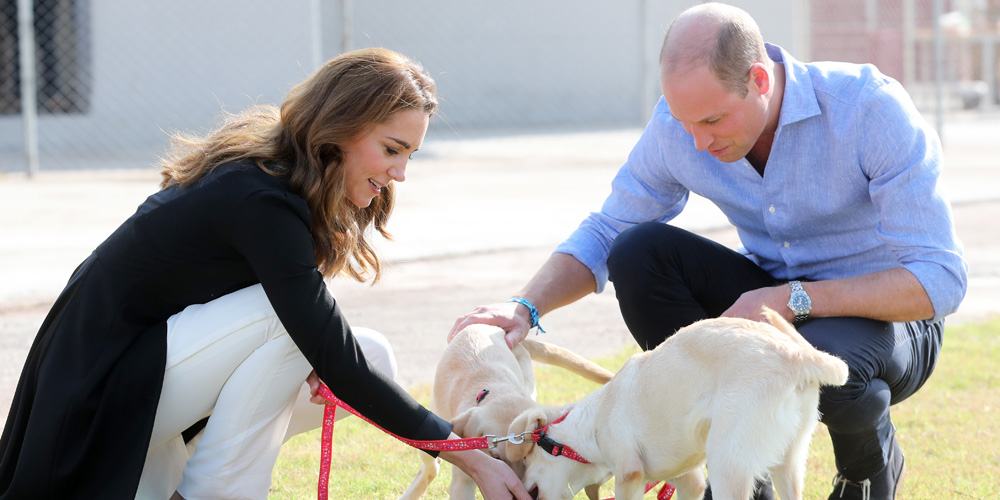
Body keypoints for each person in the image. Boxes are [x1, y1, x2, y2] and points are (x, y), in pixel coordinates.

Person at [450, 4, 967, 500]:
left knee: (818, 372)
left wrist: (795, 298)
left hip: (889, 318)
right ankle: (741, 475)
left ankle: (867, 468)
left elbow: (940, 279)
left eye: (713, 121)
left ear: (760, 81)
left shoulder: (870, 109)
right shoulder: (682, 125)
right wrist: (525, 306)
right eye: (685, 121)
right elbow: (609, 228)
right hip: (765, 299)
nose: (697, 142)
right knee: (638, 252)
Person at [0, 48, 530, 500]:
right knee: (294, 324)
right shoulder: (259, 197)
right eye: (391, 149)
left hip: (143, 384)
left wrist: (317, 352)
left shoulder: (279, 180)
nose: (400, 173)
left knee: (371, 355)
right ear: (340, 128)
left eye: (410, 154)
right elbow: (326, 348)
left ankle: (183, 476)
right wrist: (468, 453)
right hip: (92, 400)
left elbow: (338, 354)